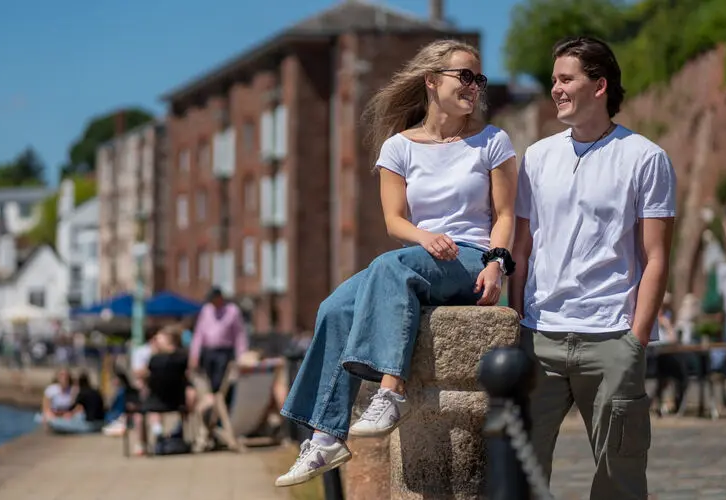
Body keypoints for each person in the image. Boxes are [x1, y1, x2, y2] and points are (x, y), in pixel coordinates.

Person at [276, 39, 518, 487]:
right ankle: (325, 435)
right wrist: (426, 237)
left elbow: (504, 215)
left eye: (478, 78)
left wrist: (497, 264)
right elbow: (394, 221)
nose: (474, 86)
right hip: (419, 251)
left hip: (469, 257)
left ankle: (391, 392)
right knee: (333, 308)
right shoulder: (399, 147)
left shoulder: (492, 141)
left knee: (390, 266)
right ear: (431, 81)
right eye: (464, 76)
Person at [509, 36, 676, 499]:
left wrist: (635, 342)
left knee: (619, 476)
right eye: (554, 80)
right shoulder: (538, 158)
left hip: (611, 338)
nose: (555, 89)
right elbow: (521, 248)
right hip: (539, 336)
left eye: (567, 79)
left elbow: (656, 257)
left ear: (599, 85)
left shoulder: (645, 158)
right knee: (520, 468)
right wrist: (516, 324)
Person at [188, 287, 248, 395]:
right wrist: (194, 354)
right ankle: (215, 402)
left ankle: (220, 401)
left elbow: (239, 335)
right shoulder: (206, 310)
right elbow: (199, 334)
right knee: (210, 382)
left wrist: (241, 355)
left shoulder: (232, 311)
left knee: (220, 381)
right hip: (208, 351)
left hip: (224, 351)